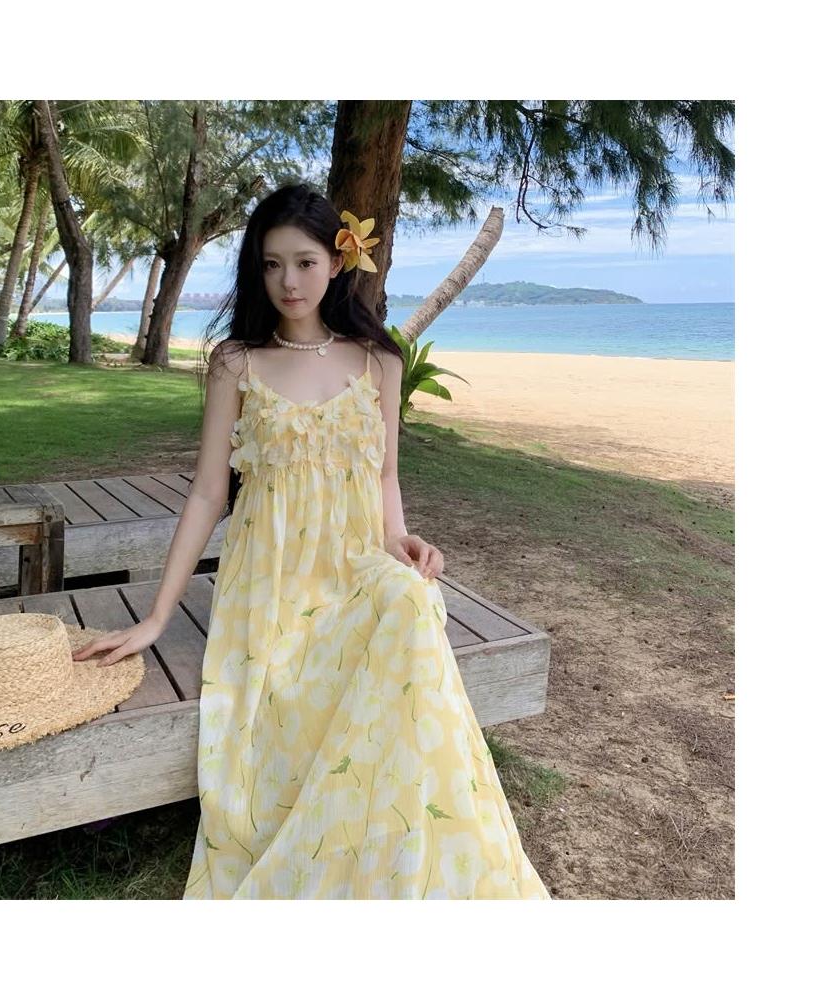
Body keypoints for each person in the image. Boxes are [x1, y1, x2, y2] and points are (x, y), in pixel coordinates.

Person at [71, 183, 551, 899]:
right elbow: (207, 494)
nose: (288, 281)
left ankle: (413, 850)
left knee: (413, 601)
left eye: (303, 262)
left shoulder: (379, 362)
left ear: (337, 261)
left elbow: (384, 477)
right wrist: (157, 617)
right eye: (271, 265)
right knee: (384, 647)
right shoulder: (237, 362)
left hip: (356, 566)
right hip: (271, 585)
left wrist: (403, 540)